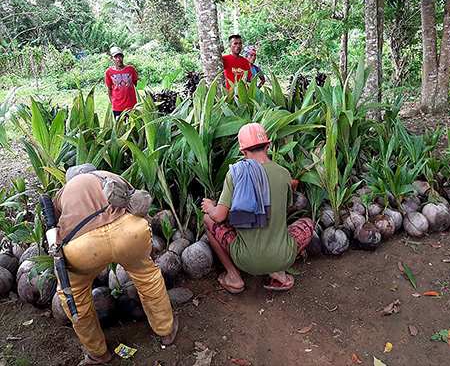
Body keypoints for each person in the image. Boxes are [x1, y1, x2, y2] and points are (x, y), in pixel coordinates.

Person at [53, 166, 178, 364]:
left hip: (83, 245)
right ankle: (166, 331)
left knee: (76, 297)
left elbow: (53, 230)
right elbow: (136, 204)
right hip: (128, 231)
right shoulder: (108, 175)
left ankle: (98, 353)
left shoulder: (63, 192)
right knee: (148, 278)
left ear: (69, 181)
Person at [201, 123, 314, 293]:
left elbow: (218, 217)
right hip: (282, 256)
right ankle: (280, 274)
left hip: (246, 260)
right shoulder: (283, 173)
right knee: (307, 223)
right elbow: (285, 207)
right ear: (268, 145)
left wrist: (210, 206)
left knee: (207, 219)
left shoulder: (236, 174)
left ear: (242, 151)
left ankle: (234, 277)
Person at [105, 46, 138, 118]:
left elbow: (135, 83)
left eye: (120, 57)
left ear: (123, 57)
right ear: (111, 58)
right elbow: (109, 89)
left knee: (133, 126)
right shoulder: (109, 72)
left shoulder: (131, 69)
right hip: (117, 106)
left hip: (131, 105)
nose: (118, 59)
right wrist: (113, 102)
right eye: (116, 57)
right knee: (120, 127)